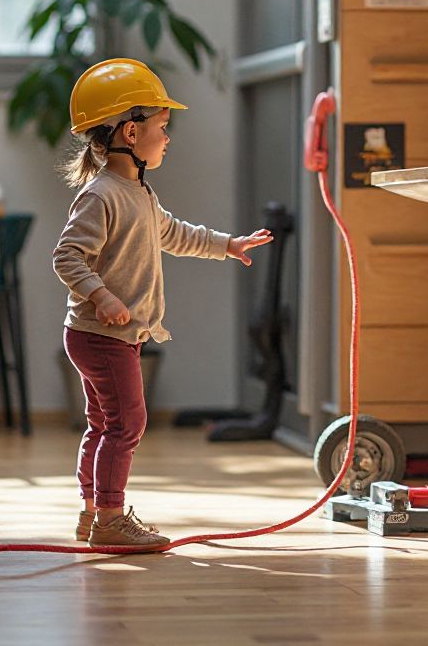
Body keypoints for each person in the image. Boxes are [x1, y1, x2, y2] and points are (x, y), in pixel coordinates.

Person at [53, 58, 273, 550]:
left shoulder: (138, 193)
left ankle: (93, 515)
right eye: (162, 126)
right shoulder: (101, 195)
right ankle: (110, 518)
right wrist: (103, 295)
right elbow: (67, 256)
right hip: (101, 334)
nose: (168, 136)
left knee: (104, 425)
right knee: (127, 424)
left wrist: (226, 244)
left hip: (111, 336)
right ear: (131, 132)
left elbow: (173, 234)